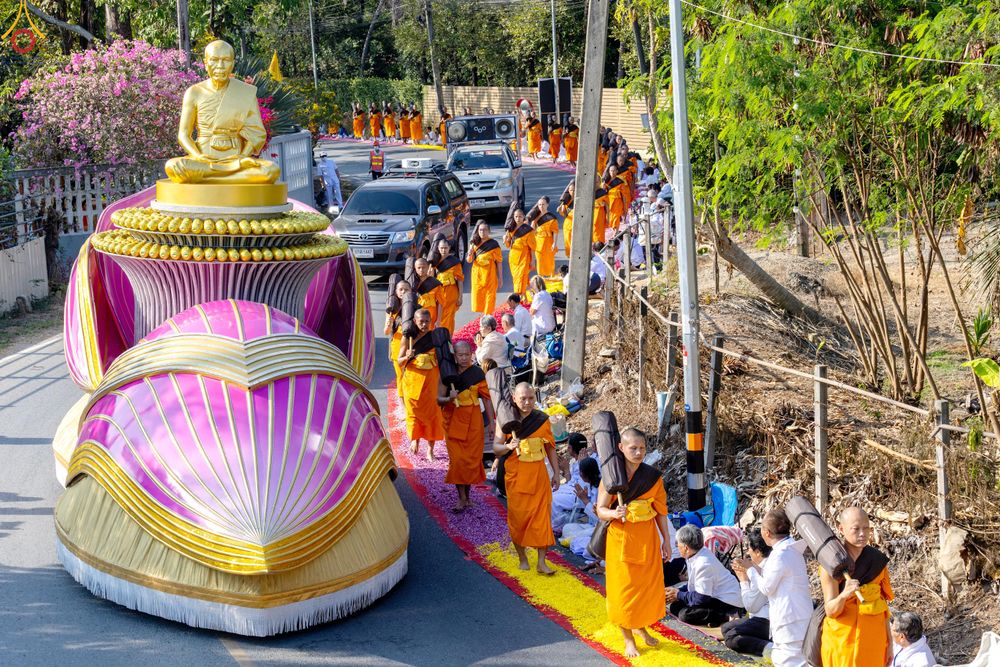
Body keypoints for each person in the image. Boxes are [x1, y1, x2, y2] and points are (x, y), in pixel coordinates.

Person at [596, 428, 672, 658]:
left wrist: (666, 541)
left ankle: (642, 628)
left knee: (645, 590)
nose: (638, 453)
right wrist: (614, 514)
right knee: (624, 591)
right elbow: (600, 510)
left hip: (647, 540)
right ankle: (628, 638)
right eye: (633, 448)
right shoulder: (611, 476)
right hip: (621, 541)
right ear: (621, 448)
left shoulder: (652, 478)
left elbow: (660, 512)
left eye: (642, 448)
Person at [492, 382, 560, 575]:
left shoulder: (541, 419)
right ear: (514, 398)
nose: (527, 403)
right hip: (516, 477)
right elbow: (496, 447)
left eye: (531, 398)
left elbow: (550, 447)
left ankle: (541, 562)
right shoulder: (507, 420)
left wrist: (556, 472)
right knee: (518, 519)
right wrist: (508, 447)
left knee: (542, 520)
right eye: (523, 398)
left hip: (539, 476)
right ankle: (522, 558)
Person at [819, 507, 894, 667]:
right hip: (842, 643)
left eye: (866, 528)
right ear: (841, 529)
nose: (862, 534)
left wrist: (890, 643)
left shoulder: (877, 561)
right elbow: (831, 610)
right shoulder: (831, 564)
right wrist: (844, 594)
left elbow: (883, 607)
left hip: (873, 641)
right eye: (856, 529)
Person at [746, 508, 812, 667]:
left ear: (766, 533)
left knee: (789, 660)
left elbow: (767, 587)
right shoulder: (791, 547)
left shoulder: (780, 554)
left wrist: (751, 571)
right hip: (799, 612)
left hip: (789, 616)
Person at [438, 340, 494, 512]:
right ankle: (461, 498)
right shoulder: (448, 374)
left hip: (473, 424)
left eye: (466, 355)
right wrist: (449, 398)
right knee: (458, 462)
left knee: (470, 461)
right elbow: (438, 399)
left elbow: (487, 399)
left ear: (471, 354)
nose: (463, 358)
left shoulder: (477, 373)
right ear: (454, 356)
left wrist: (492, 423)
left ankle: (467, 497)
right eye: (460, 355)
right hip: (453, 423)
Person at [665, 524, 744, 627]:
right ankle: (715, 618)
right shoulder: (695, 554)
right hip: (712, 596)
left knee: (685, 615)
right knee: (676, 606)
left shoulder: (703, 563)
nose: (677, 548)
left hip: (728, 602)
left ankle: (727, 616)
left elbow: (701, 598)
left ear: (686, 548)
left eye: (678, 545)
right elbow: (694, 585)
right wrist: (676, 592)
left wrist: (678, 594)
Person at [398, 308, 445, 460]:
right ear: (414, 322)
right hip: (412, 382)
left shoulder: (435, 337)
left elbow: (445, 358)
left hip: (431, 383)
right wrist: (407, 357)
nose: (424, 325)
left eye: (427, 322)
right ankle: (415, 440)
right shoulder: (408, 338)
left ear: (431, 322)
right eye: (421, 322)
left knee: (433, 415)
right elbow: (399, 361)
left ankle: (430, 450)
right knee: (414, 414)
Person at [723, 529, 772, 657]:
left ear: (757, 551)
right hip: (760, 616)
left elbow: (751, 607)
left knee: (731, 637)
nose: (747, 552)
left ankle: (771, 649)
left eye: (749, 548)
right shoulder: (762, 565)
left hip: (769, 621)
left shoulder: (763, 569)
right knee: (726, 629)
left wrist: (743, 580)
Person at [552, 456, 600, 532]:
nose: (580, 474)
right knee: (567, 529)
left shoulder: (599, 490)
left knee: (572, 537)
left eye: (580, 472)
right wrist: (582, 498)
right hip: (591, 524)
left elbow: (599, 517)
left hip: (598, 528)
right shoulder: (592, 485)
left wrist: (585, 500)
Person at [466, 220, 504, 315]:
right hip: (477, 276)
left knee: (489, 299)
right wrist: (470, 254)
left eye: (485, 230)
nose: (483, 232)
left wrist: (500, 278)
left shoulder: (494, 244)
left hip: (490, 276)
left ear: (489, 231)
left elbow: (499, 262)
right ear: (478, 231)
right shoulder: (474, 244)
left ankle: (487, 319)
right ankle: (483, 318)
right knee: (479, 300)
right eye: (481, 230)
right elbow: (469, 260)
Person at [383, 279, 412, 395]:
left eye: (406, 289)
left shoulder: (414, 306)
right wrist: (388, 324)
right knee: (400, 376)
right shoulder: (392, 310)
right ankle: (403, 402)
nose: (403, 292)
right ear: (396, 291)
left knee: (409, 375)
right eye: (401, 289)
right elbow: (386, 332)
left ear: (411, 291)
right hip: (397, 347)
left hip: (411, 345)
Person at [431, 238, 463, 334]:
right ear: (438, 248)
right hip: (438, 293)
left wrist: (460, 296)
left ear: (449, 248)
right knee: (437, 317)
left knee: (449, 318)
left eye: (445, 248)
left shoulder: (455, 262)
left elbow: (460, 280)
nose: (443, 250)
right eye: (441, 248)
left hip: (451, 293)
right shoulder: (435, 261)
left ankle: (448, 338)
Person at [504, 205, 536, 295]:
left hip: (524, 257)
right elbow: (508, 245)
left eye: (520, 216)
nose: (518, 218)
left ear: (523, 217)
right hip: (513, 257)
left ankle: (519, 295)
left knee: (522, 276)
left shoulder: (528, 230)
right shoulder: (510, 229)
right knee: (516, 277)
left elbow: (532, 247)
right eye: (516, 217)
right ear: (513, 217)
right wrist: (506, 240)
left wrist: (532, 261)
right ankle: (523, 295)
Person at [530, 198, 559, 277]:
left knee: (550, 261)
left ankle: (551, 277)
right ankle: (541, 278)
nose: (541, 206)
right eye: (539, 205)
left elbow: (555, 231)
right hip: (538, 241)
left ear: (547, 205)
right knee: (539, 260)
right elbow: (532, 229)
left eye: (543, 204)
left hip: (548, 241)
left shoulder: (552, 217)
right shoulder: (536, 216)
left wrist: (554, 243)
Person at [413, 257, 442, 328]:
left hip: (431, 317)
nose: (421, 270)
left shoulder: (435, 283)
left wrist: (438, 320)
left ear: (428, 267)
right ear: (415, 269)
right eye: (419, 268)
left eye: (423, 267)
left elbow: (440, 303)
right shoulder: (412, 283)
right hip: (417, 316)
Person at [529, 275, 555, 339]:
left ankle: (533, 344)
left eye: (532, 286)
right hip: (551, 324)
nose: (531, 288)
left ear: (535, 285)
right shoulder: (547, 293)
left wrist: (533, 298)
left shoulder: (538, 296)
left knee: (527, 323)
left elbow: (532, 312)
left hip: (544, 326)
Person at [606, 165, 629, 232]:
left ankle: (616, 232)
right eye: (611, 171)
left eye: (614, 171)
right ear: (609, 172)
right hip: (609, 204)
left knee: (616, 218)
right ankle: (615, 231)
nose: (612, 172)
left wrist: (625, 207)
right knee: (611, 219)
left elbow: (624, 195)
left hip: (617, 204)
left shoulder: (620, 182)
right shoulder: (606, 182)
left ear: (617, 171)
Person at [558, 182, 575, 258]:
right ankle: (569, 256)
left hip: (578, 223)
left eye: (574, 190)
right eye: (571, 190)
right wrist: (560, 210)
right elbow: (564, 215)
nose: (572, 192)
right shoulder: (566, 201)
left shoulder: (581, 200)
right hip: (568, 223)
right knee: (568, 240)